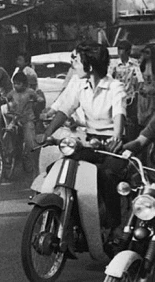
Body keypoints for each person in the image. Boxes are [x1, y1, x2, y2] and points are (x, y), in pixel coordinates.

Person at [41, 42, 127, 231]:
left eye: (78, 62)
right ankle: (72, 216)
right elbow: (65, 110)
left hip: (112, 147)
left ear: (90, 65)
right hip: (89, 142)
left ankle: (115, 227)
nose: (74, 66)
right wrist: (47, 134)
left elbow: (118, 114)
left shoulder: (115, 87)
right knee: (58, 168)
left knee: (107, 176)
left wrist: (116, 137)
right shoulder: (80, 85)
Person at [6, 71, 42, 175]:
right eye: (14, 83)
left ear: (24, 84)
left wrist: (39, 99)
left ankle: (36, 167)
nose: (16, 86)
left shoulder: (30, 92)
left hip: (27, 120)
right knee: (13, 142)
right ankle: (14, 163)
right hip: (16, 120)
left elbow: (37, 98)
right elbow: (6, 99)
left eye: (18, 83)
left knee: (31, 144)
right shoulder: (12, 93)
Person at [110, 40, 143, 138]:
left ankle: (130, 139)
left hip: (130, 97)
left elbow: (140, 79)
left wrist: (136, 91)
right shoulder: (114, 64)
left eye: (122, 50)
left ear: (128, 51)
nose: (119, 52)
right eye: (118, 49)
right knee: (118, 118)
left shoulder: (134, 63)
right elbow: (109, 78)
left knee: (131, 121)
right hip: (117, 97)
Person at [138, 44, 155, 130]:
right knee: (142, 121)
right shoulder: (142, 64)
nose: (145, 54)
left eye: (147, 52)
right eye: (144, 52)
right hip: (143, 96)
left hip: (152, 96)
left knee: (151, 120)